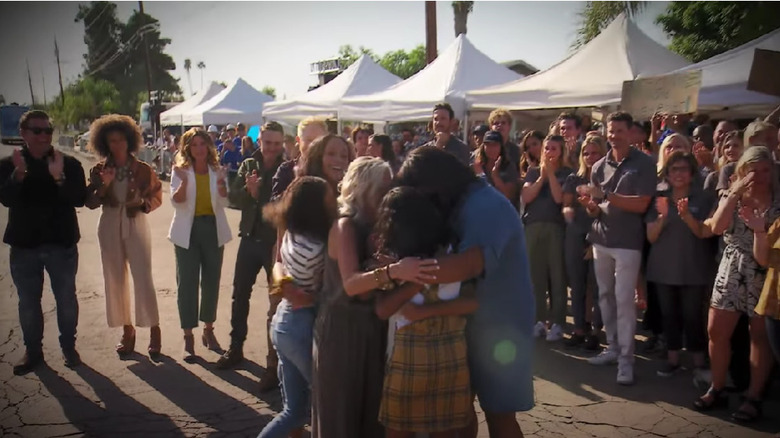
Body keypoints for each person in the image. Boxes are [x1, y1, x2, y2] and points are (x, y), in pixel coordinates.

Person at [396, 146, 535, 438]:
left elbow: (466, 265)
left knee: (499, 415)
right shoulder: (462, 202)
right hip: (467, 323)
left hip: (501, 328)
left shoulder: (486, 205)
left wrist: (398, 272)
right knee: (459, 412)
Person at [374, 187, 477, 438]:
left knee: (398, 431)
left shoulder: (395, 262)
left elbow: (382, 309)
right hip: (450, 354)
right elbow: (472, 302)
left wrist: (412, 285)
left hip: (408, 357)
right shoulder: (454, 254)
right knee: (445, 431)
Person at [311, 157, 397, 438]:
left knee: (371, 418)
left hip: (372, 328)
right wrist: (392, 270)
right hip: (342, 331)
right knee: (341, 418)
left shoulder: (378, 228)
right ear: (364, 189)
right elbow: (350, 284)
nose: (389, 194)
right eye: (383, 188)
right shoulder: (345, 227)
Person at [695, 146, 779, 422]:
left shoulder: (778, 199)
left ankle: (753, 396)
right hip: (732, 265)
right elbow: (717, 228)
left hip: (764, 270)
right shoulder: (734, 194)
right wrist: (734, 192)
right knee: (716, 330)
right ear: (742, 170)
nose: (761, 176)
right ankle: (717, 387)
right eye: (754, 170)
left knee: (759, 337)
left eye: (767, 169)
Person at [0, 110, 87, 375]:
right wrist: (18, 176)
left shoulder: (69, 164)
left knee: (66, 299)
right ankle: (33, 352)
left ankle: (68, 347)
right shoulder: (8, 165)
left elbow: (79, 198)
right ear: (24, 133)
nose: (43, 136)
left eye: (47, 131)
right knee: (28, 302)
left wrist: (59, 178)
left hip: (61, 245)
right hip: (25, 246)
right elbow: (5, 199)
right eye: (37, 131)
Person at [258, 176, 337, 438]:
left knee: (293, 411)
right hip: (299, 326)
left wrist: (289, 288)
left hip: (283, 323)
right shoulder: (318, 245)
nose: (333, 198)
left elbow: (279, 263)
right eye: (328, 196)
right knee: (327, 400)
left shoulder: (293, 230)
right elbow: (327, 290)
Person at [581, 112, 656, 385]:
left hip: (628, 243)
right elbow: (597, 209)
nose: (613, 135)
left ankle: (626, 361)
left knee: (625, 302)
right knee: (605, 298)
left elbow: (642, 203)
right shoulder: (598, 166)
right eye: (610, 131)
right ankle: (612, 348)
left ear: (630, 132)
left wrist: (606, 197)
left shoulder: (644, 163)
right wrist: (591, 206)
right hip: (601, 239)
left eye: (619, 131)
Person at [84, 114, 163, 359]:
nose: (116, 145)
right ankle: (127, 330)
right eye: (111, 141)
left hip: (135, 222)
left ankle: (154, 328)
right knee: (114, 278)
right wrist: (104, 185)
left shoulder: (143, 169)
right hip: (108, 222)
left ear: (130, 141)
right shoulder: (99, 170)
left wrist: (142, 202)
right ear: (104, 143)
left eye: (120, 140)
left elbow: (157, 196)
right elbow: (90, 202)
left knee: (142, 276)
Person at [216, 122, 286, 381]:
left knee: (278, 302)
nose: (272, 149)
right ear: (260, 141)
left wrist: (259, 194)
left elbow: (285, 204)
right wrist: (249, 191)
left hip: (276, 245)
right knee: (239, 295)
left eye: (277, 144)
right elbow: (234, 198)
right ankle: (235, 348)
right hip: (249, 239)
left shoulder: (287, 167)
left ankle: (274, 363)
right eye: (267, 143)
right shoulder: (249, 164)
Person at [645, 151, 715, 377]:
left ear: (692, 173)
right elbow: (651, 237)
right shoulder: (659, 197)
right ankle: (673, 358)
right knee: (669, 316)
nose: (678, 174)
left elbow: (704, 232)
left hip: (693, 269)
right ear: (667, 172)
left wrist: (686, 216)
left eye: (683, 169)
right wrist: (664, 216)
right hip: (664, 269)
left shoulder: (703, 198)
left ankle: (698, 361)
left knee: (693, 316)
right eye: (674, 169)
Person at [168, 128, 232, 362]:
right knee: (187, 283)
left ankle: (209, 330)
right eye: (193, 145)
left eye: (202, 144)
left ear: (209, 146)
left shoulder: (217, 170)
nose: (199, 149)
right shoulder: (181, 170)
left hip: (213, 229)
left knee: (211, 281)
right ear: (187, 148)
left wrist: (224, 183)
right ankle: (188, 337)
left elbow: (225, 200)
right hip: (188, 231)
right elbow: (177, 202)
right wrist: (183, 182)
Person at [521, 135, 572, 342]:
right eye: (547, 148)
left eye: (554, 148)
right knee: (536, 276)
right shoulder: (533, 172)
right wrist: (542, 176)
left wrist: (551, 174)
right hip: (533, 227)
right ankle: (538, 321)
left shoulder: (567, 173)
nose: (549, 152)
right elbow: (526, 197)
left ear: (561, 151)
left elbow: (559, 198)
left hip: (555, 227)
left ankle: (558, 322)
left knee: (557, 275)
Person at [562, 134, 607, 350]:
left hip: (600, 235)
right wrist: (569, 212)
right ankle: (579, 328)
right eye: (586, 153)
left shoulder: (608, 179)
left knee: (598, 286)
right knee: (578, 285)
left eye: (595, 152)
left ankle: (596, 331)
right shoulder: (574, 178)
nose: (590, 157)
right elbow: (565, 204)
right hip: (575, 235)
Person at [271, 116, 329, 201]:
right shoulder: (286, 170)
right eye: (309, 140)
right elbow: (274, 204)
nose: (313, 145)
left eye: (318, 140)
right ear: (298, 141)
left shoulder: (330, 169)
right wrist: (296, 184)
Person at [472, 130, 519, 203]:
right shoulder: (476, 165)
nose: (491, 149)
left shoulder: (509, 166)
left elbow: (508, 195)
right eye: (488, 145)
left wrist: (495, 176)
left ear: (501, 147)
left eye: (495, 145)